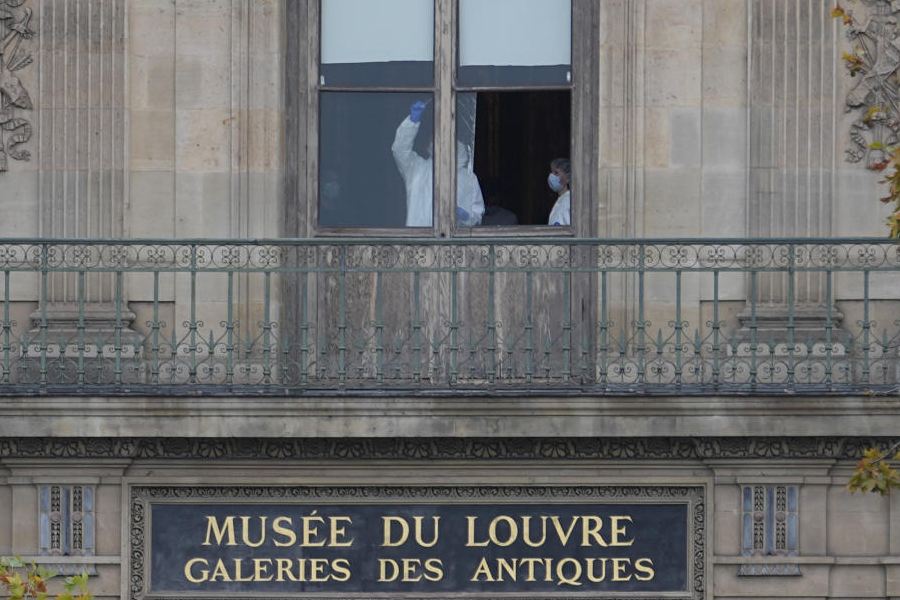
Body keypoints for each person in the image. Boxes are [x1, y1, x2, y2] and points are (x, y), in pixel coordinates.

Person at [392, 101, 485, 227]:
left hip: (453, 246)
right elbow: (400, 149)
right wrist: (412, 122)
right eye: (438, 137)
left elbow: (477, 216)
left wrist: (465, 216)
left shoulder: (468, 178)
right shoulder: (416, 169)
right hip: (418, 244)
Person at [547, 158, 571, 226]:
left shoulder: (569, 200)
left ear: (568, 178)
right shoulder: (561, 199)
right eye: (552, 172)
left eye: (556, 173)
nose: (552, 176)